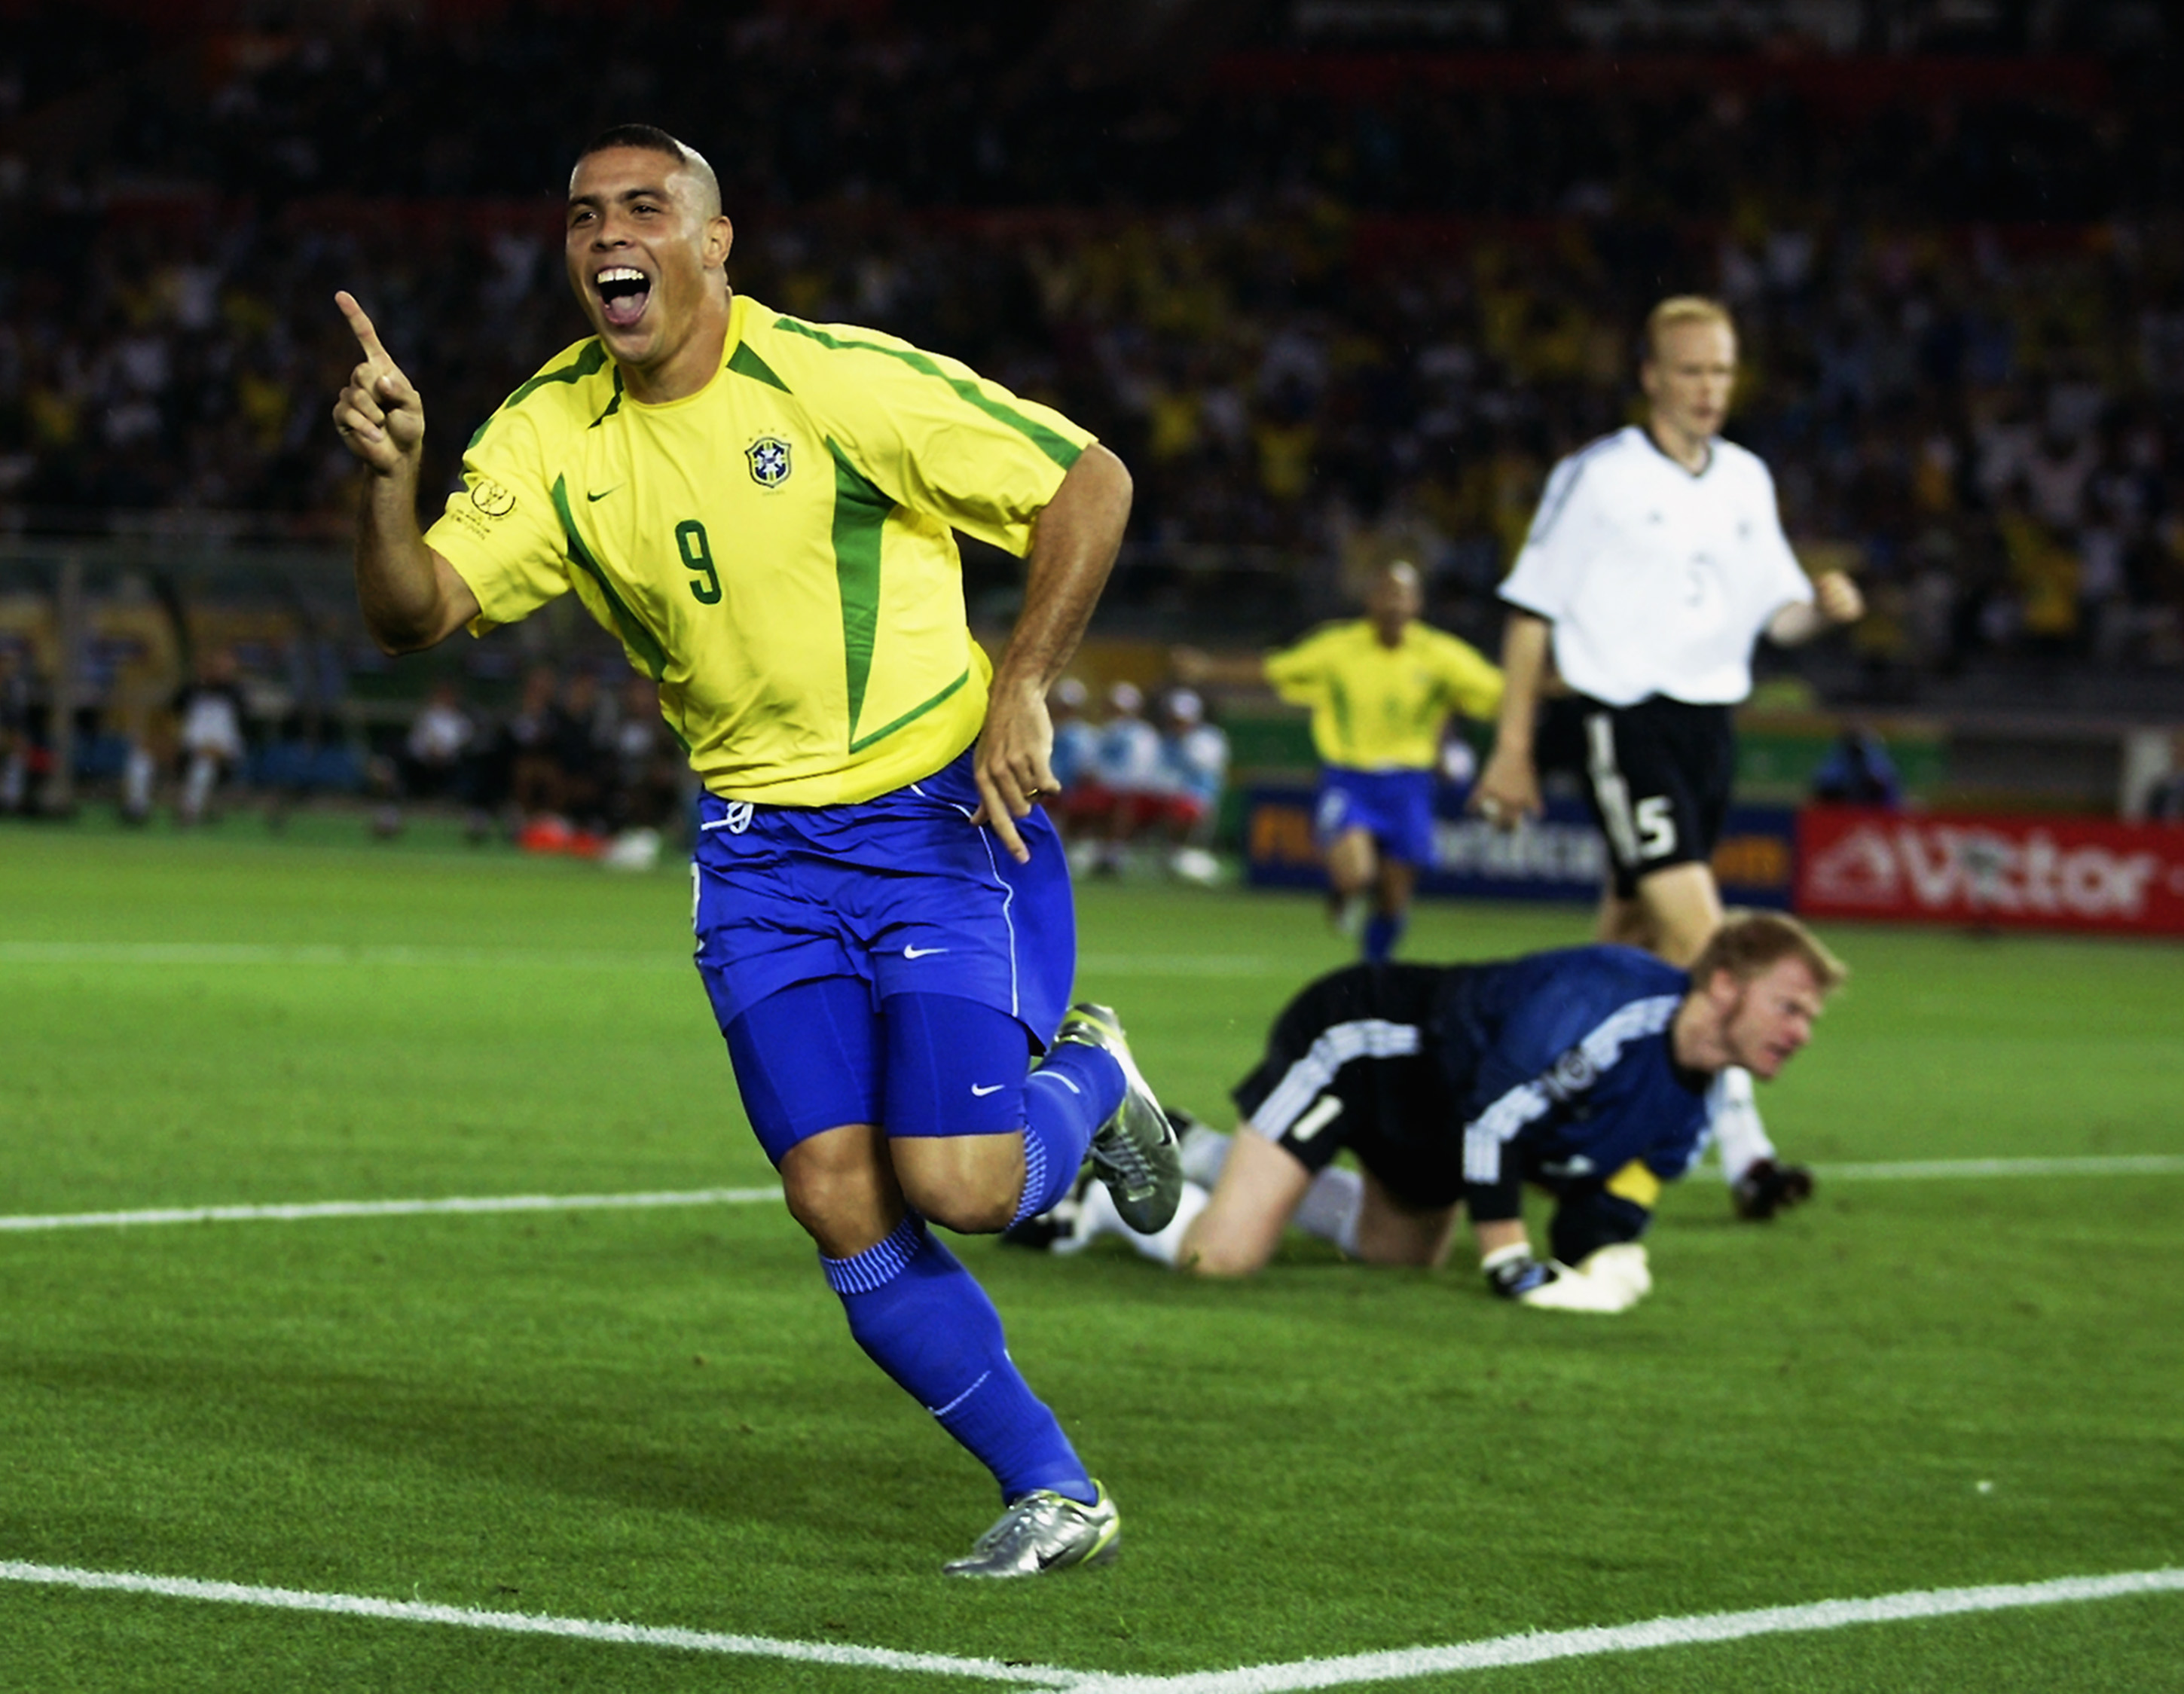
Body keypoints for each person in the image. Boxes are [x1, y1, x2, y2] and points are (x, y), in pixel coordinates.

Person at [330, 123, 1180, 1579]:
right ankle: (1052, 1485)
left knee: (965, 1186)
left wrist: (1024, 677)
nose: (610, 233)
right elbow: (414, 613)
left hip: (930, 822)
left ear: (715, 241)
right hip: (752, 857)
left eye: (646, 207)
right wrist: (390, 477)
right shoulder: (548, 429)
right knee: (835, 1196)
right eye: (586, 212)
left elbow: (1083, 481)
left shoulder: (836, 378)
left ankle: (1092, 1072)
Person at [1471, 297, 1863, 1219]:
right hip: (1625, 720)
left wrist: (1824, 608)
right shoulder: (1598, 476)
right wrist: (1514, 746)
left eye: (1721, 371)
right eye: (1689, 370)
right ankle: (1746, 1153)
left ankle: (1542, 1102)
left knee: (1629, 947)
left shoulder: (1746, 480)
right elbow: (1532, 609)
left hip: (1709, 728)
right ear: (1650, 375)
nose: (1707, 388)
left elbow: (1779, 615)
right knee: (1704, 939)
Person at [1021, 911, 1845, 1312]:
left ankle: (1199, 1148)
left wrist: (1610, 1258)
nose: (1801, 1033)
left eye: (1808, 1018)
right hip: (1362, 1042)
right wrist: (1509, 1259)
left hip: (1439, 1112)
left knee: (1400, 1252)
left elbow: (1609, 1202)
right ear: (1725, 986)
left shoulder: (1692, 1100)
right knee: (1220, 1260)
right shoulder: (1612, 1001)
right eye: (1789, 1007)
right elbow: (1496, 1121)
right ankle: (1101, 1199)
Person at [1181, 560, 1503, 961]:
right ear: (1371, 600)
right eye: (1386, 592)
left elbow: (1496, 692)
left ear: (1417, 603)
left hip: (1409, 784)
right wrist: (1211, 668)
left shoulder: (1440, 655)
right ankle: (1342, 894)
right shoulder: (1339, 647)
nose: (1394, 603)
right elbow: (1276, 668)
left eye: (1402, 594)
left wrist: (1554, 683)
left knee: (1393, 897)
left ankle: (1372, 969)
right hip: (1349, 778)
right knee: (1356, 875)